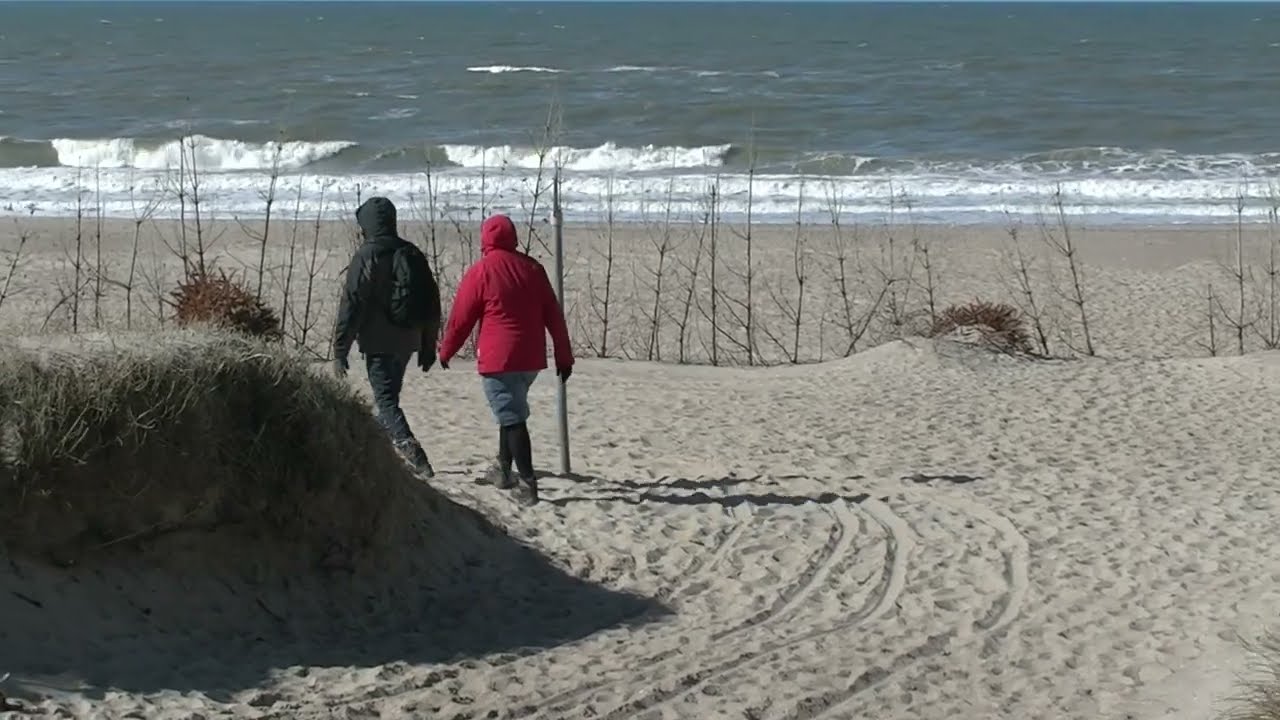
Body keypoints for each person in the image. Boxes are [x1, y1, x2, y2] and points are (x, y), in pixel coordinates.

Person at [437, 213, 574, 505]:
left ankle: (527, 483)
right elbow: (554, 314)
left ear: (485, 239)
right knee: (509, 411)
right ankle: (503, 470)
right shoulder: (533, 268)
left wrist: (446, 350)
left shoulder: (482, 271)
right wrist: (564, 355)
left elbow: (461, 318)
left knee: (512, 418)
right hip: (531, 359)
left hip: (499, 359)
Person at [333, 196, 442, 478]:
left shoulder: (366, 255)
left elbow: (352, 303)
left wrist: (340, 348)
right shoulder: (412, 252)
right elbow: (432, 303)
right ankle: (376, 457)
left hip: (377, 342)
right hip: (408, 340)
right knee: (389, 398)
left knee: (386, 401)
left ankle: (414, 453)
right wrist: (428, 346)